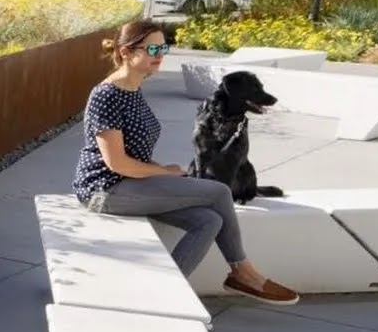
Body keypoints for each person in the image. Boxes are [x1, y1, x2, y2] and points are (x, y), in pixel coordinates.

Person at [74, 20, 300, 304]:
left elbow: (133, 152)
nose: (160, 54)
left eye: (163, 47)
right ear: (125, 52)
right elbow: (117, 163)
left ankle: (167, 293)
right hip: (105, 189)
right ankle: (245, 274)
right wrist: (163, 172)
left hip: (134, 184)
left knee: (209, 220)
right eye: (152, 48)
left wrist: (164, 174)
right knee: (219, 191)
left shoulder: (133, 89)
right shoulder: (107, 95)